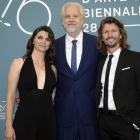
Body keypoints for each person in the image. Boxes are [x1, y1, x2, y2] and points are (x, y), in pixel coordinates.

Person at [54, 2, 102, 140]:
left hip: (90, 113)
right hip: (64, 114)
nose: (71, 20)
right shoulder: (53, 46)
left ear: (82, 19)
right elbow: (42, 72)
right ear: (63, 20)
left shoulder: (97, 43)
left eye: (75, 16)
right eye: (67, 16)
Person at [5, 26, 57, 140]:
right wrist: (8, 126)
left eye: (48, 39)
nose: (43, 41)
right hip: (24, 121)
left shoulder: (53, 69)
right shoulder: (18, 64)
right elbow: (10, 96)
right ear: (32, 40)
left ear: (50, 44)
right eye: (40, 37)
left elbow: (52, 97)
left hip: (48, 123)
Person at [95, 17, 140, 140]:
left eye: (114, 31)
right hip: (103, 123)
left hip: (126, 123)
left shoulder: (135, 58)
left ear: (120, 34)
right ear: (102, 37)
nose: (110, 35)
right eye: (106, 32)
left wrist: (136, 122)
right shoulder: (100, 62)